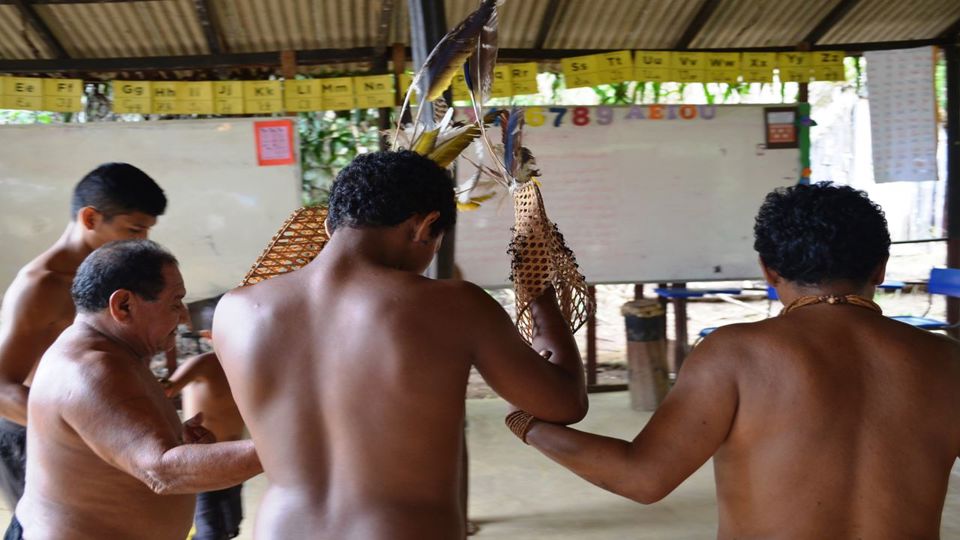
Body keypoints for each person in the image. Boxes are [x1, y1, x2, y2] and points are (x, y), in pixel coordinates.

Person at [509, 182, 960, 538]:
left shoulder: (735, 354)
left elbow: (642, 478)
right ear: (881, 267)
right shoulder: (947, 361)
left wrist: (530, 426)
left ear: (768, 270)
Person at [213, 150, 588, 539]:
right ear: (425, 226)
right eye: (435, 244)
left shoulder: (236, 309)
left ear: (328, 225)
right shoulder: (455, 306)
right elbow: (563, 403)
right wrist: (539, 294)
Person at [10, 240, 261, 540]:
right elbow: (162, 471)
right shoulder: (89, 369)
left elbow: (127, 446)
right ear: (123, 305)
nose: (182, 316)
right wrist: (280, 449)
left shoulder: (111, 354)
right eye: (175, 302)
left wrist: (177, 438)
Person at [0, 163, 167, 506]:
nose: (142, 242)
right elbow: (2, 387)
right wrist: (84, 432)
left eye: (147, 231)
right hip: (36, 437)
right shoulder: (42, 285)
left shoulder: (114, 276)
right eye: (134, 229)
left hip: (97, 431)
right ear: (90, 219)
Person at [166, 351, 247, 540]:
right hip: (203, 461)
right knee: (210, 531)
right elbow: (164, 389)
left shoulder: (243, 361)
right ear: (208, 335)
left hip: (234, 459)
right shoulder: (204, 363)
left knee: (231, 524)